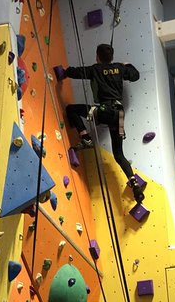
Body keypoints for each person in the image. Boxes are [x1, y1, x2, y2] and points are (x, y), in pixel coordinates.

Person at [61, 43, 144, 201]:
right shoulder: (120, 68)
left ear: (97, 56)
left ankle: (86, 138)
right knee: (119, 154)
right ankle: (134, 184)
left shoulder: (95, 69)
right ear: (111, 57)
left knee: (72, 109)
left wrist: (65, 71)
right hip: (119, 115)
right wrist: (127, 65)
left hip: (105, 111)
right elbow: (135, 75)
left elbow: (74, 72)